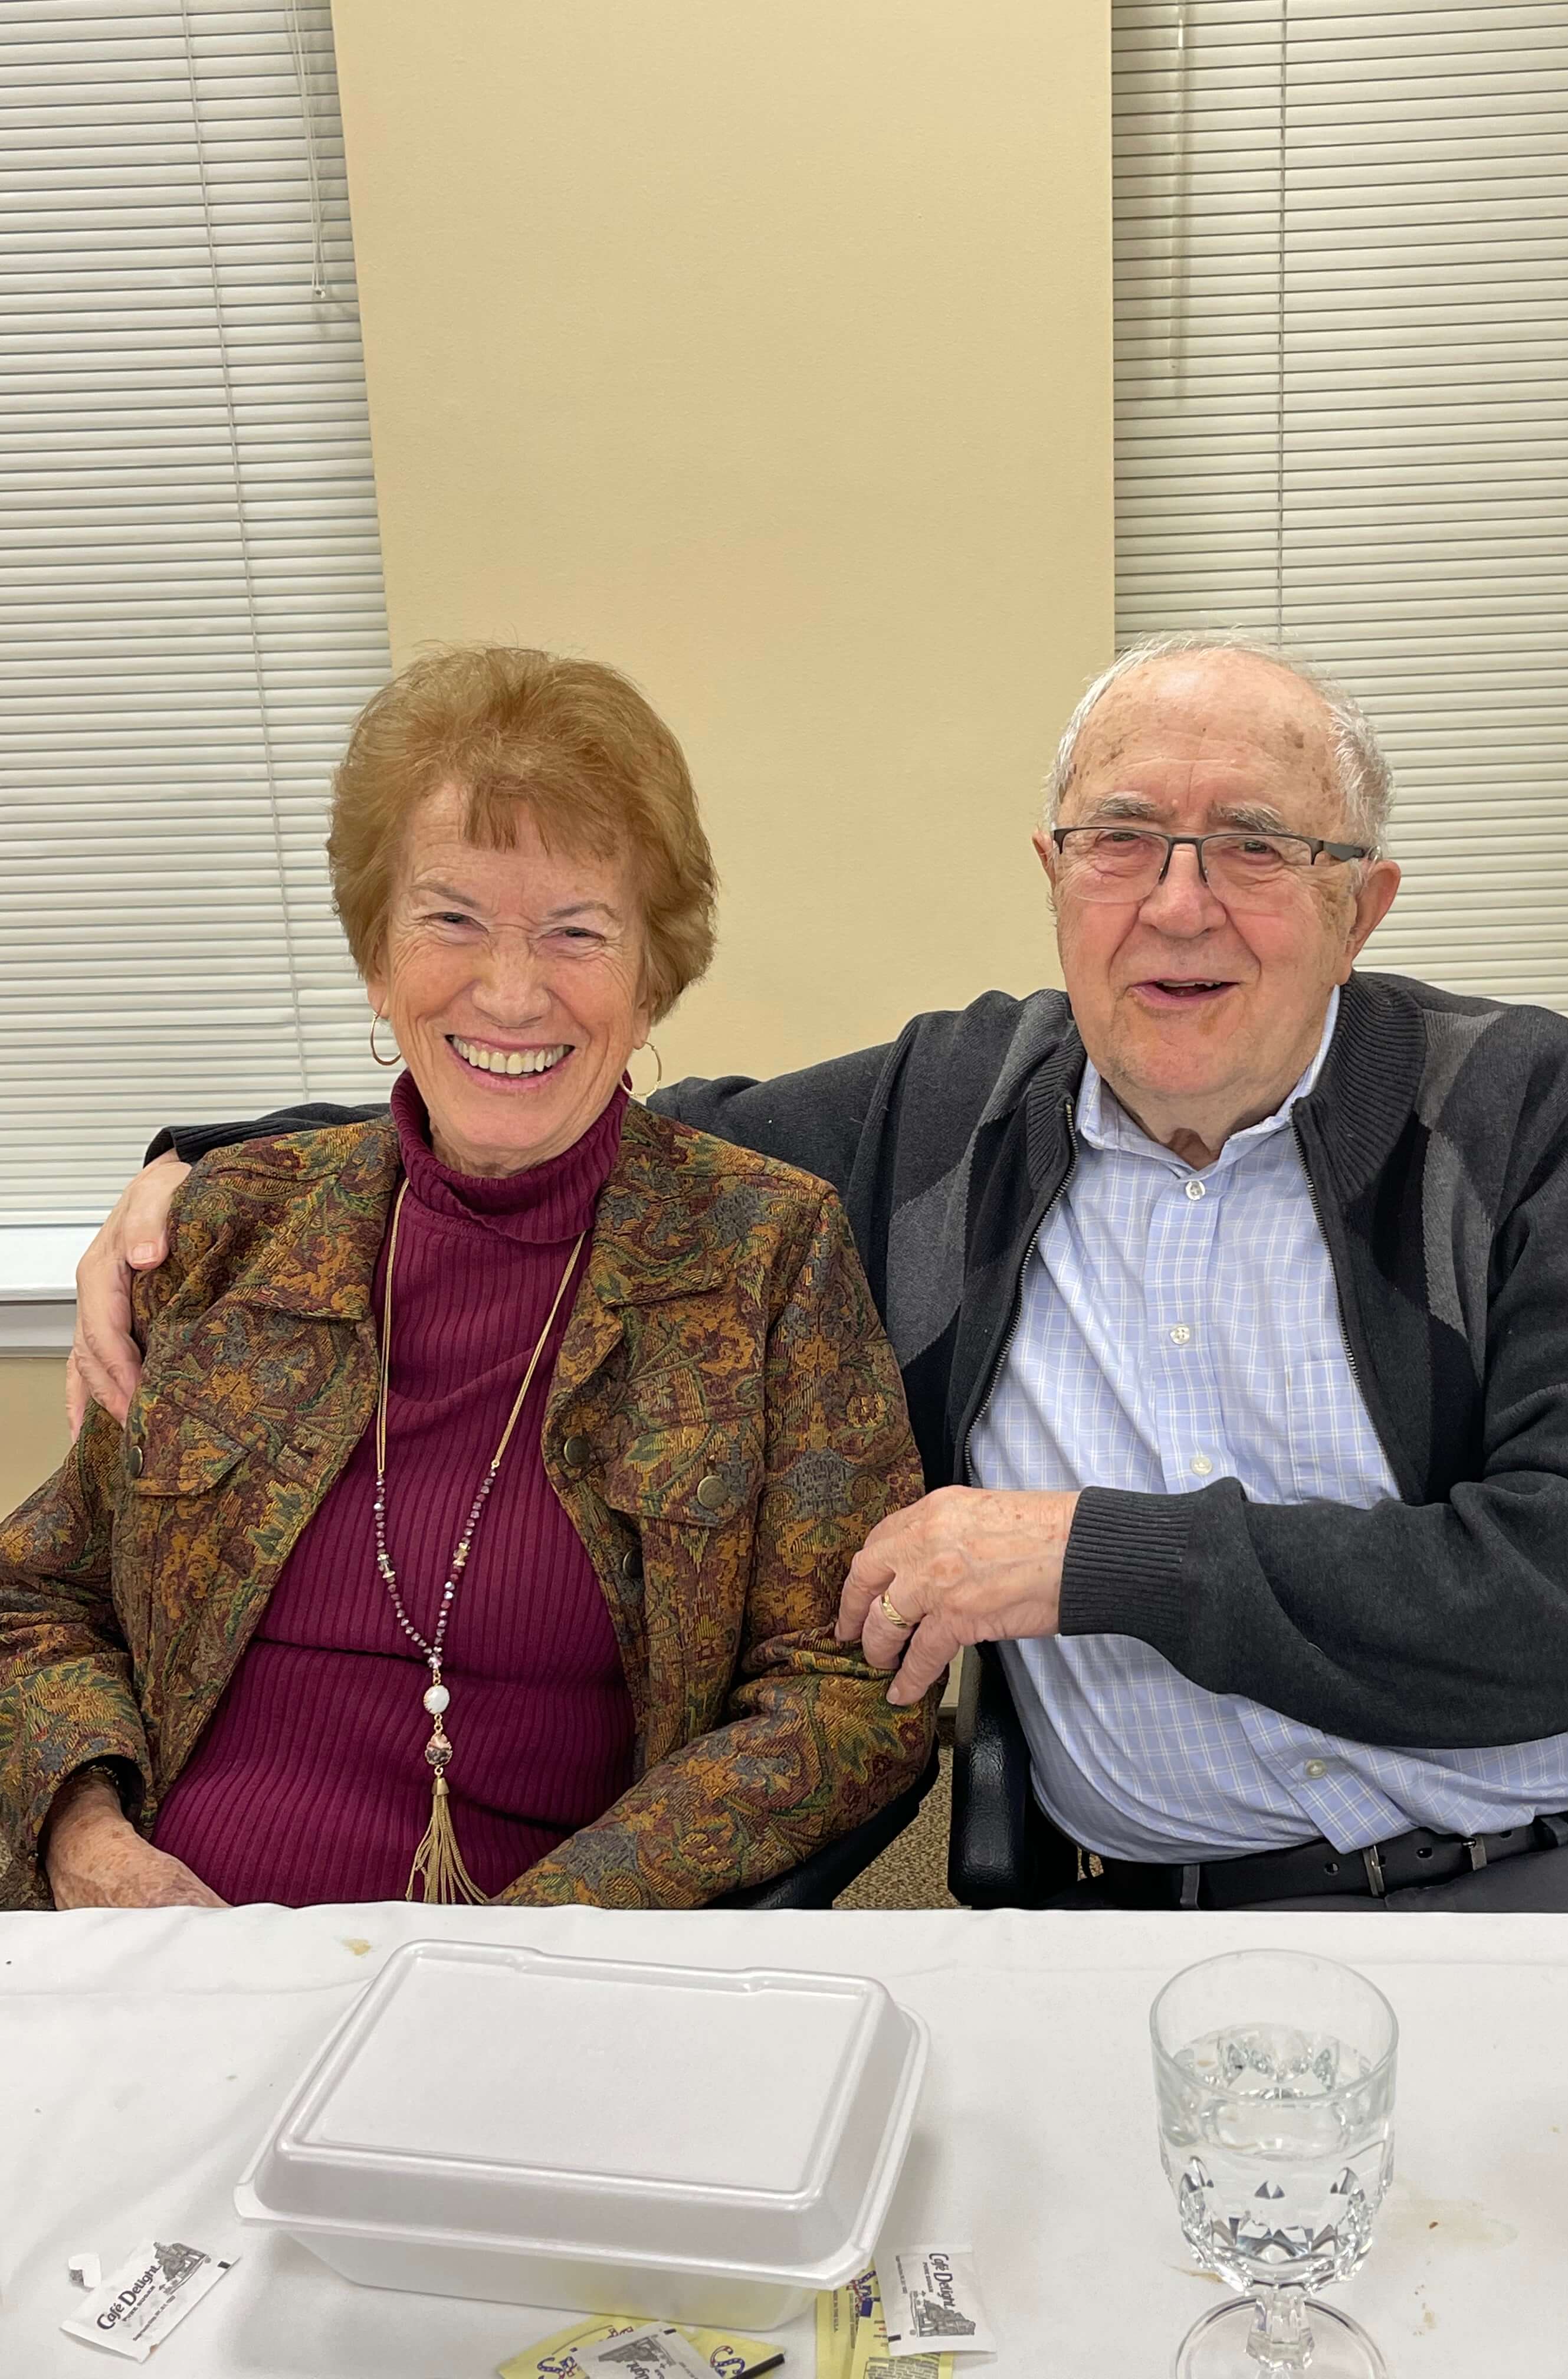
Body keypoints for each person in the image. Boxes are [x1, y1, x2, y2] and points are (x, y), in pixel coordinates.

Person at [67, 633, 1568, 1912]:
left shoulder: (1515, 1107)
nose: (1180, 905)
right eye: (1122, 838)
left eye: (1258, 846)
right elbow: (547, 1087)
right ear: (1052, 878)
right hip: (1163, 1917)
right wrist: (204, 1166)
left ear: (1366, 904)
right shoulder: (943, 1119)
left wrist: (1107, 1556)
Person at [1, 645, 931, 1913]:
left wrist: (541, 1936)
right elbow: (38, 1597)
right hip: (158, 1946)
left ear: (652, 977)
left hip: (537, 1978)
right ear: (377, 960)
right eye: (451, 919)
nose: (508, 989)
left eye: (576, 933)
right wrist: (84, 1839)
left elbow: (846, 1697)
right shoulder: (227, 1233)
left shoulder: (762, 1255)